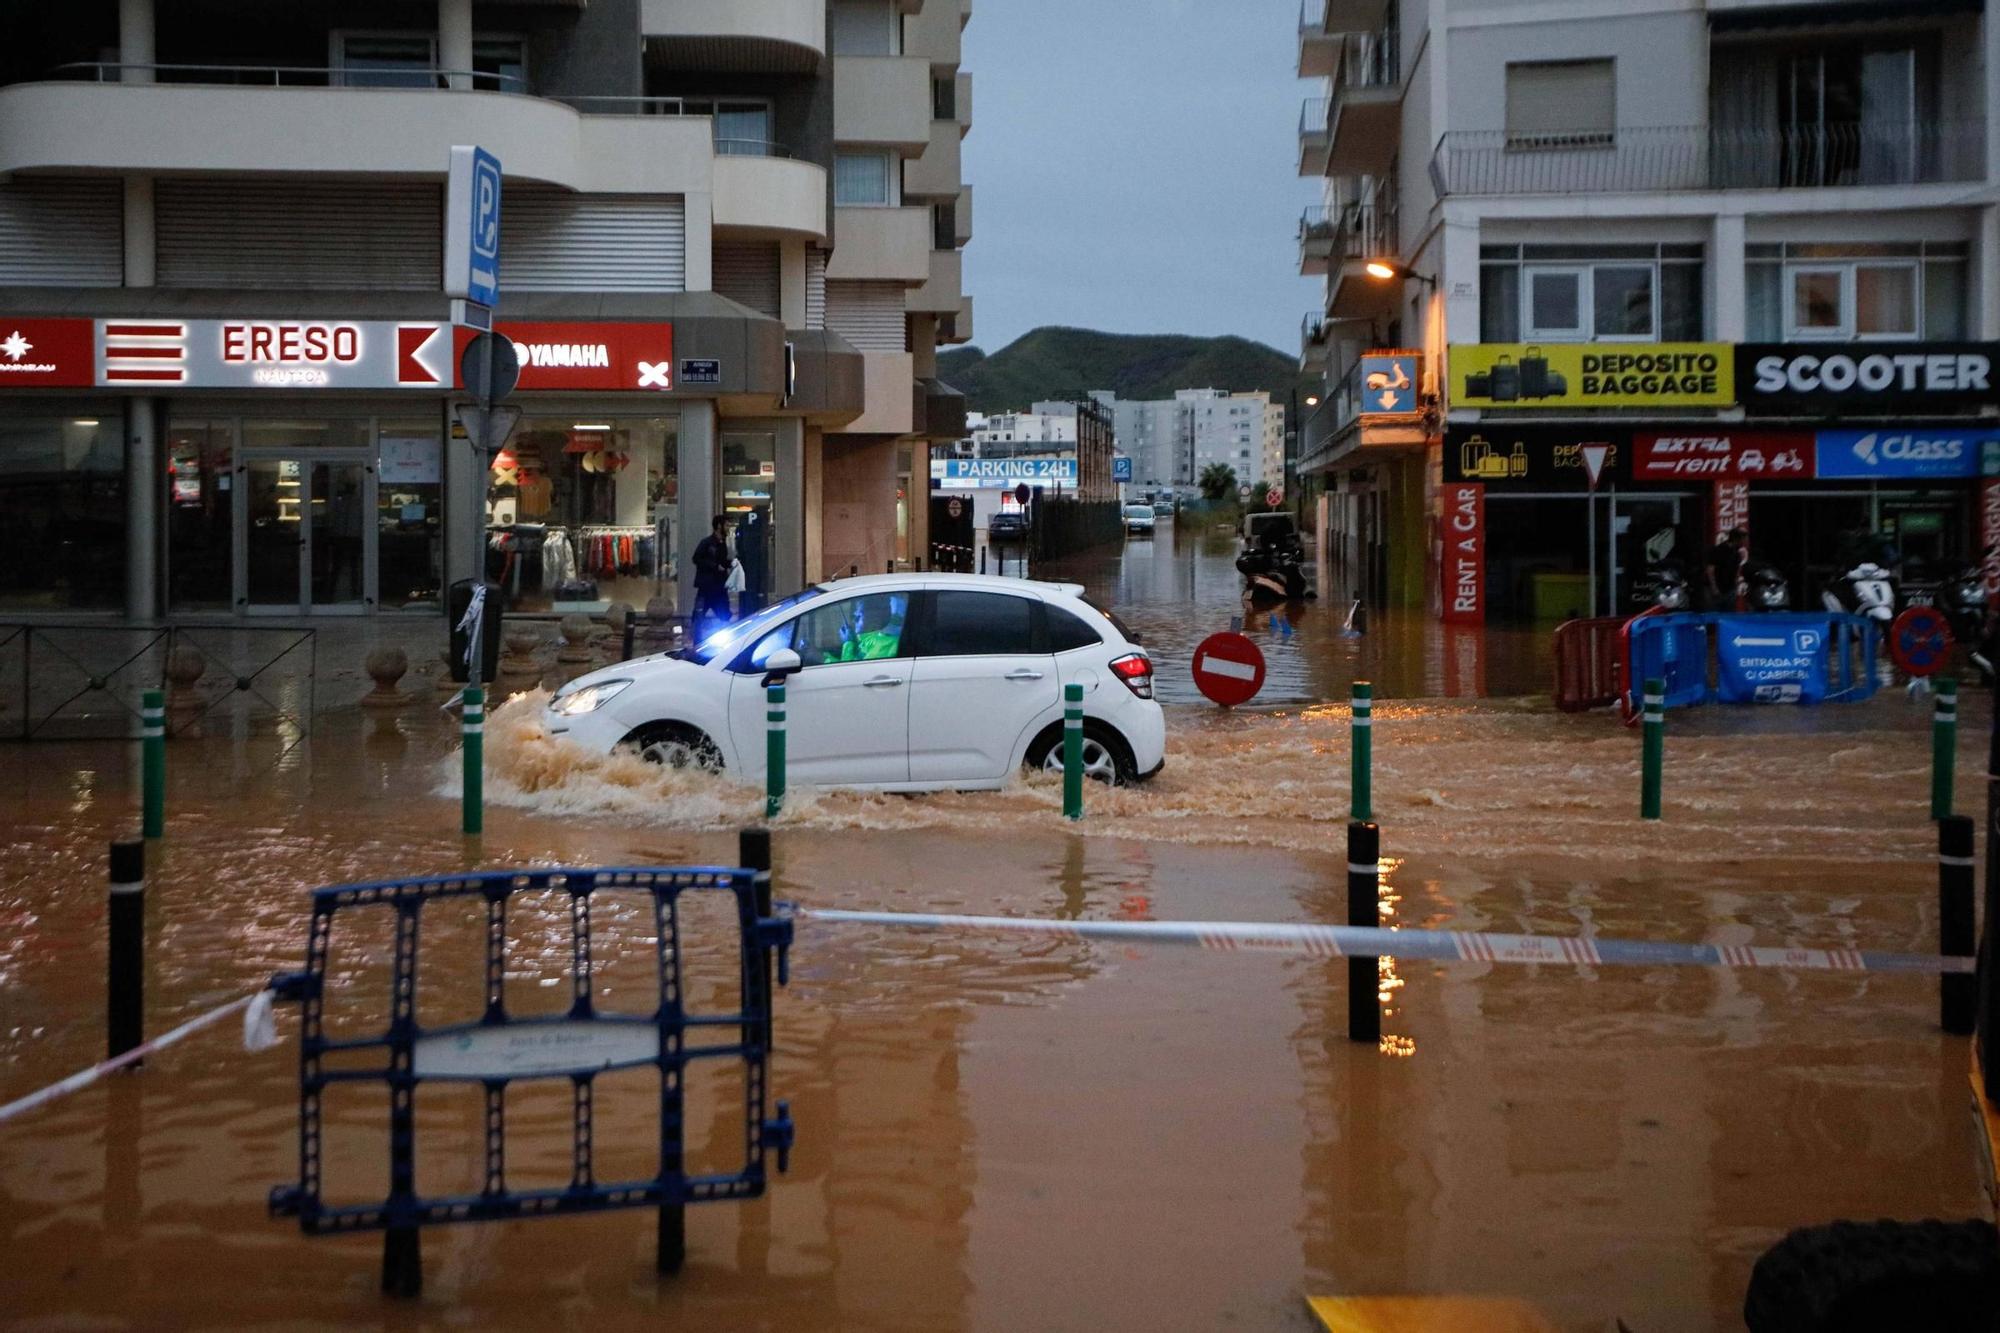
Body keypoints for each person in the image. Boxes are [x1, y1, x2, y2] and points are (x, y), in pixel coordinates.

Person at [692, 514, 733, 639]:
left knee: (724, 615)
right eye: (726, 525)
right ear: (719, 526)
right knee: (699, 616)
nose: (728, 528)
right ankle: (697, 643)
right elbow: (696, 558)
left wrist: (731, 563)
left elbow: (722, 561)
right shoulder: (707, 543)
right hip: (706, 586)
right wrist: (715, 566)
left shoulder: (723, 544)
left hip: (719, 587)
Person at [1705, 527, 1747, 611]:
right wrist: (1714, 587)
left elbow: (1737, 569)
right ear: (1737, 538)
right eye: (1743, 538)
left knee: (1729, 612)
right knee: (1715, 613)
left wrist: (1736, 584)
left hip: (1730, 590)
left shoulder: (1737, 552)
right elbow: (1710, 569)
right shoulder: (1720, 550)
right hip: (1718, 589)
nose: (1745, 541)